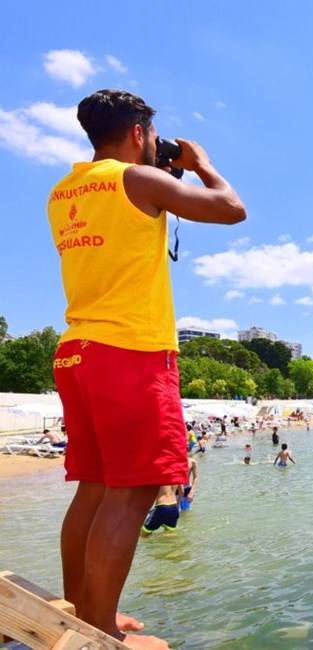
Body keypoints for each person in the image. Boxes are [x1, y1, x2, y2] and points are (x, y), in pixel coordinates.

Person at [46, 89, 245, 647]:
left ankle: (83, 609)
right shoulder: (138, 181)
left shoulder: (64, 191)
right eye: (153, 136)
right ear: (138, 132)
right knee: (134, 491)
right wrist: (201, 165)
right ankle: (100, 626)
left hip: (77, 350)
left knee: (95, 485)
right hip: (130, 350)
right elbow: (231, 209)